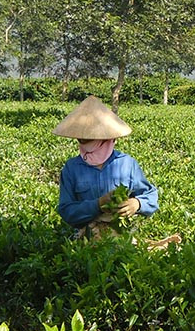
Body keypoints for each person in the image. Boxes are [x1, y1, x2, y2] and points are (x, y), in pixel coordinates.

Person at [54, 95, 158, 237]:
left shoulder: (127, 164)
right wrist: (97, 204)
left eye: (93, 140)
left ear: (108, 140)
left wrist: (137, 204)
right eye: (83, 140)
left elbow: (151, 196)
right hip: (86, 237)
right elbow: (67, 211)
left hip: (123, 237)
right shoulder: (72, 168)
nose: (87, 145)